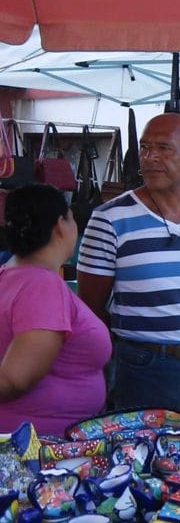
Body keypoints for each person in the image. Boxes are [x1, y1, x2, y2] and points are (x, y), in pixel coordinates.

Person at [77, 114, 180, 413]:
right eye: (145, 147)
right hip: (141, 367)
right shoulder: (109, 219)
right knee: (149, 455)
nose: (150, 157)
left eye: (164, 148)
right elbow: (90, 310)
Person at [0, 185, 112, 434]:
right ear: (61, 224)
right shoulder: (41, 285)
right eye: (72, 217)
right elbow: (16, 379)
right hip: (40, 449)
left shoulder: (11, 274)